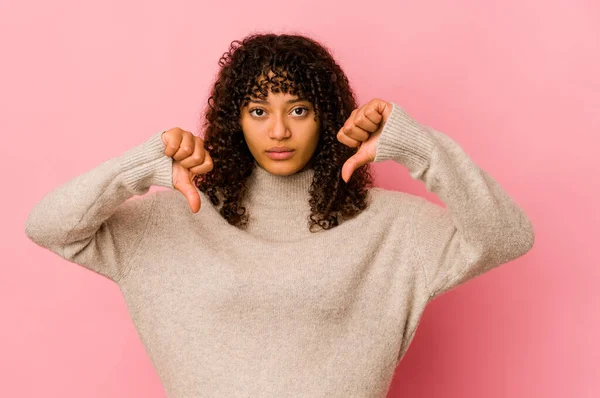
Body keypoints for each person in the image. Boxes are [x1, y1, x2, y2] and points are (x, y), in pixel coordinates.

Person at [24, 32, 535, 397]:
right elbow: (48, 227)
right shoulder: (172, 221)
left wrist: (417, 147)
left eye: (298, 110)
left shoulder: (392, 228)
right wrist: (140, 166)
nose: (279, 133)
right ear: (235, 121)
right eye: (258, 110)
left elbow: (507, 236)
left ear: (326, 116)